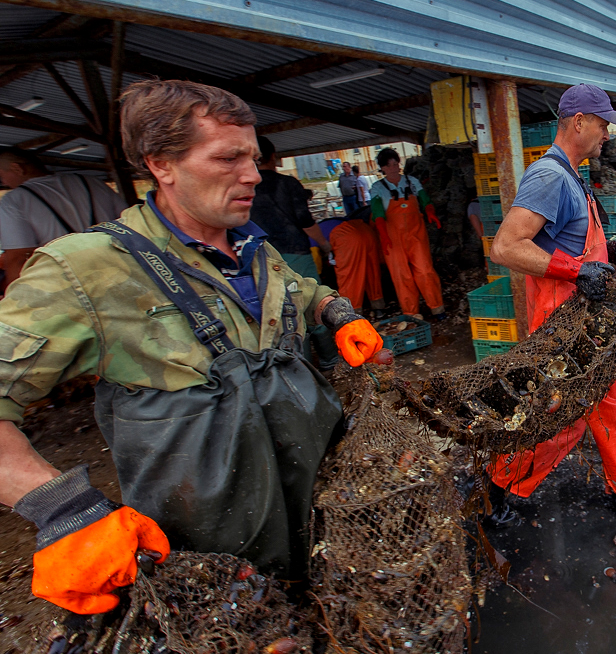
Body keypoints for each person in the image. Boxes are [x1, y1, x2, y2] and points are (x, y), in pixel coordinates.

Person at [0, 79, 384, 615]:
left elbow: (301, 289)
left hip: (322, 512)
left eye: (251, 157)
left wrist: (338, 314)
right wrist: (62, 509)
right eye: (227, 158)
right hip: (213, 552)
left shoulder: (252, 245)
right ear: (161, 164)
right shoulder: (85, 268)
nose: (252, 174)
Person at [488, 83, 616, 515]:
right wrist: (577, 270)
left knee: (612, 400)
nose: (607, 134)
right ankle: (501, 487)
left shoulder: (573, 176)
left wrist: (608, 255)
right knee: (559, 415)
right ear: (579, 122)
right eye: (604, 124)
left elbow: (573, 241)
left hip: (590, 323)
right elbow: (506, 247)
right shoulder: (549, 176)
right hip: (564, 328)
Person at [249, 136, 339, 371]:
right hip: (294, 253)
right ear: (272, 156)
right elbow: (305, 220)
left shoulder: (245, 188)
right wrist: (323, 243)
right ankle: (330, 360)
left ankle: (303, 368)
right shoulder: (287, 184)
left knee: (282, 313)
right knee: (310, 301)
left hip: (259, 259)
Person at [0, 147, 127, 285]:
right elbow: (128, 221)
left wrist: (14, 298)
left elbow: (19, 258)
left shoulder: (14, 200)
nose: (4, 183)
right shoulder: (92, 182)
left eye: (1, 176)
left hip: (74, 281)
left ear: (17, 168)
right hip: (120, 269)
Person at [369, 148, 445, 318]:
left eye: (395, 164)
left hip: (416, 234)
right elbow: (377, 212)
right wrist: (383, 235)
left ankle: (437, 307)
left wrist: (430, 211)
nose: (394, 168)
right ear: (383, 168)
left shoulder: (412, 182)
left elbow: (425, 200)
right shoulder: (377, 188)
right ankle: (411, 313)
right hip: (392, 237)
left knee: (425, 270)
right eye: (389, 166)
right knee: (401, 275)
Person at [329, 211, 385, 318]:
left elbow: (321, 256)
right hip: (366, 231)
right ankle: (378, 308)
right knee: (371, 272)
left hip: (346, 237)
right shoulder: (338, 222)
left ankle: (352, 312)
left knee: (350, 276)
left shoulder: (313, 237)